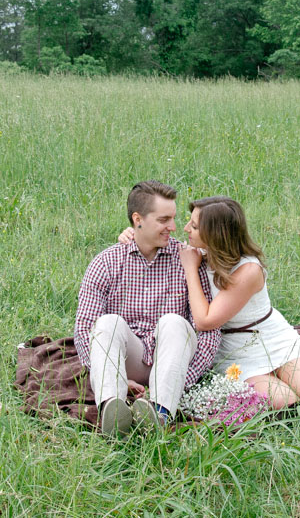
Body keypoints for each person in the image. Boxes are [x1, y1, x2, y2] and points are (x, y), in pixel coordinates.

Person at [121, 196, 300, 408]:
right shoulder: (196, 252)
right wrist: (130, 233)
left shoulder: (248, 270)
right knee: (287, 401)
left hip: (272, 339)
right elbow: (151, 239)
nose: (185, 228)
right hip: (233, 353)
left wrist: (191, 270)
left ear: (215, 234)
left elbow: (205, 320)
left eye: (193, 225)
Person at [74, 181, 221, 436]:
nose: (174, 228)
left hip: (171, 361)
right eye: (164, 219)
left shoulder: (187, 258)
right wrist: (117, 378)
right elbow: (85, 328)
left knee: (175, 323)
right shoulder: (106, 262)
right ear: (137, 219)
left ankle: (159, 412)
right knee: (107, 323)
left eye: (174, 219)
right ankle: (112, 408)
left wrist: (183, 380)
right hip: (126, 359)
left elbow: (208, 332)